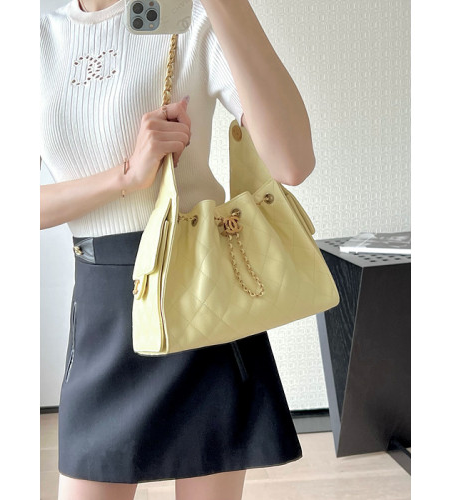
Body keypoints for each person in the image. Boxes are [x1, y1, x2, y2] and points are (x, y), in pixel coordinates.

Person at [40, 0, 317, 498]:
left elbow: (292, 162)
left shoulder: (194, 19)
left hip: (202, 305)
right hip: (104, 316)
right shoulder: (38, 45)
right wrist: (125, 176)